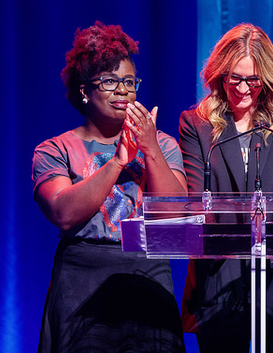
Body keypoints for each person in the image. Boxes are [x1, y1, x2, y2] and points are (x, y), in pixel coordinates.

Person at [32, 21, 187, 352]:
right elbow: (64, 213)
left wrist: (149, 149)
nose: (122, 91)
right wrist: (117, 161)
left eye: (129, 82)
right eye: (110, 81)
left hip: (148, 274)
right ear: (85, 91)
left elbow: (176, 215)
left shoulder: (163, 145)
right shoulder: (55, 150)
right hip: (83, 279)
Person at [178, 23, 273, 353]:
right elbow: (199, 201)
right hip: (218, 281)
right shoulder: (196, 124)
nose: (243, 88)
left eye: (252, 79)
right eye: (234, 77)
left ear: (266, 78)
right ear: (219, 74)